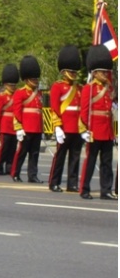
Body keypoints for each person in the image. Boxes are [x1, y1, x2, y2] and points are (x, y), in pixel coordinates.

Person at [79, 45, 117, 200]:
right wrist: (84, 129)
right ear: (94, 73)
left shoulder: (108, 89)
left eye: (106, 71)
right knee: (90, 161)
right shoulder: (89, 89)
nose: (105, 74)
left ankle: (105, 190)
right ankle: (84, 189)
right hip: (94, 130)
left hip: (107, 131)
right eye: (102, 72)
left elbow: (111, 112)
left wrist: (115, 131)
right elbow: (84, 110)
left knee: (107, 163)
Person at [48, 45, 83, 193]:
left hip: (77, 127)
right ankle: (54, 182)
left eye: (75, 71)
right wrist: (57, 127)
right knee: (60, 157)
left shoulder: (79, 88)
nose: (73, 74)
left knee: (75, 157)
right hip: (64, 127)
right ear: (63, 72)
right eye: (71, 71)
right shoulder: (57, 87)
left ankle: (72, 183)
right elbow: (54, 108)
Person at [11, 55, 44, 183]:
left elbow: (39, 111)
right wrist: (19, 128)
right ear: (26, 79)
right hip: (26, 127)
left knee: (34, 154)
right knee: (22, 153)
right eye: (33, 78)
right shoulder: (21, 92)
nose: (35, 80)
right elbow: (17, 111)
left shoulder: (39, 93)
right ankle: (15, 173)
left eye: (36, 78)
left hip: (36, 128)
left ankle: (32, 175)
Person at [0, 64, 19, 176]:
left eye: (14, 85)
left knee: (12, 149)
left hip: (14, 126)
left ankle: (9, 167)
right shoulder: (1, 96)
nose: (13, 87)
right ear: (5, 84)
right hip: (5, 125)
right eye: (10, 85)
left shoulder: (17, 95)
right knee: (4, 148)